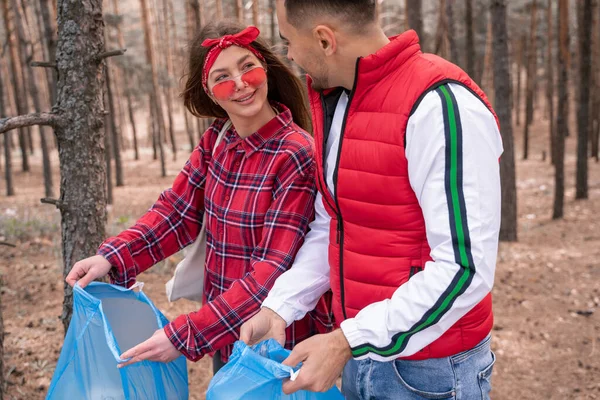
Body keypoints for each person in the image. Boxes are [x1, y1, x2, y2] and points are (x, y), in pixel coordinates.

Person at [240, 1, 503, 399]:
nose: (289, 56)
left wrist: (347, 340)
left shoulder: (440, 105)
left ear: (325, 39)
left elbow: (464, 268)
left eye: (287, 41)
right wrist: (282, 305)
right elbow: (337, 223)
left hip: (432, 375)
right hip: (360, 355)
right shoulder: (343, 100)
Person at [65, 21, 331, 374]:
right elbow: (176, 213)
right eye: (222, 77)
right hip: (223, 333)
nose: (239, 84)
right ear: (207, 92)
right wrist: (111, 257)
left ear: (265, 69)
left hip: (278, 343)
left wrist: (186, 334)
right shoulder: (217, 140)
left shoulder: (295, 153)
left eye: (247, 67)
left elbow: (272, 269)